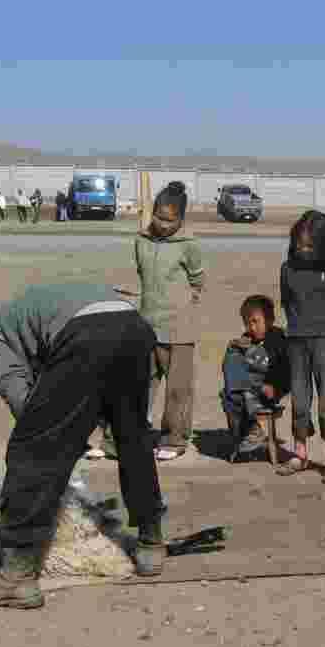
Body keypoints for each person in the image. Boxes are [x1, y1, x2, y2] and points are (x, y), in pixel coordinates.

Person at [0, 280, 168, 609]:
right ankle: (150, 543)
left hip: (86, 332)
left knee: (31, 448)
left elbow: (24, 403)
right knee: (132, 438)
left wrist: (47, 438)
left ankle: (17, 576)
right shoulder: (21, 318)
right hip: (133, 326)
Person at [97, 182, 204, 462]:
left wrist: (181, 304)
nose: (163, 224)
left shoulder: (189, 244)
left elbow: (197, 280)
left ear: (181, 219)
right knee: (136, 385)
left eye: (170, 220)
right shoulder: (140, 240)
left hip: (179, 328)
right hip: (146, 325)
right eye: (159, 217)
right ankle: (119, 441)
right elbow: (143, 276)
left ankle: (174, 439)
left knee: (178, 389)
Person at [276, 210, 325, 484]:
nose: (303, 250)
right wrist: (299, 327)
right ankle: (299, 453)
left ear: (324, 244)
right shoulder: (288, 269)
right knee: (299, 399)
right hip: (296, 342)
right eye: (299, 244)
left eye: (309, 246)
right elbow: (286, 301)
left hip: (324, 342)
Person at [220, 295, 290, 458]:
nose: (251, 327)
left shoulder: (279, 340)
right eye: (247, 323)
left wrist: (276, 388)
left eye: (255, 321)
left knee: (233, 395)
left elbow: (287, 371)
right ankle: (252, 430)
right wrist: (235, 348)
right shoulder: (247, 339)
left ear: (270, 320)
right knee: (232, 355)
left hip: (268, 390)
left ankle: (250, 431)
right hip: (250, 386)